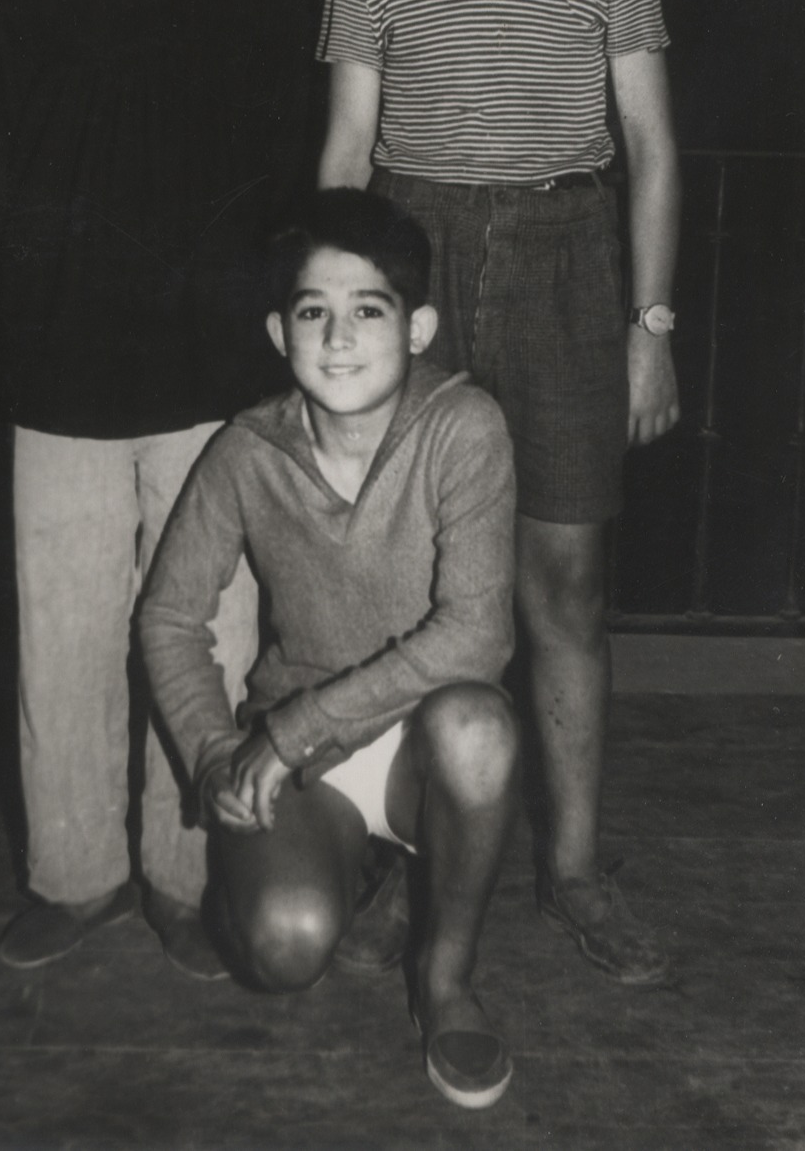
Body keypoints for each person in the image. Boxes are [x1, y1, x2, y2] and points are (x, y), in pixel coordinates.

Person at [316, 0, 680, 986]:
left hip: (568, 261)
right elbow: (345, 153)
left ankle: (573, 867)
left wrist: (648, 324)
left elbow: (650, 146)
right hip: (412, 256)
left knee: (562, 582)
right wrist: (341, 321)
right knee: (413, 579)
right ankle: (403, 853)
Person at [0, 0, 311, 976]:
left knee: (209, 627)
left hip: (216, 370)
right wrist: (16, 328)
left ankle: (184, 871)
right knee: (63, 621)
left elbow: (287, 183)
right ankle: (75, 874)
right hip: (64, 363)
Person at [140, 188, 519, 1109]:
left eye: (369, 311)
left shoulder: (465, 427)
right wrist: (215, 751)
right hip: (308, 760)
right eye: (313, 312)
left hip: (421, 740)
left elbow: (477, 633)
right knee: (283, 948)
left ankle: (446, 978)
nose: (339, 337)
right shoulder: (244, 451)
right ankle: (350, 864)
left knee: (481, 727)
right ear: (280, 332)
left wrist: (295, 731)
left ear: (418, 327)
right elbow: (168, 617)